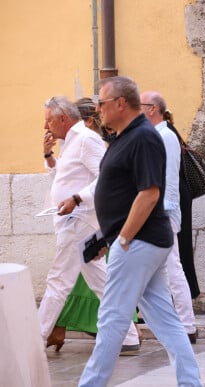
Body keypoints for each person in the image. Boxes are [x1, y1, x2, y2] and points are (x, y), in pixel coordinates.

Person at [78, 76, 201, 387]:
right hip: (140, 241)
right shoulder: (127, 136)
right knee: (166, 320)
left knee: (112, 320)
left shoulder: (145, 137)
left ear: (121, 103)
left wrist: (123, 238)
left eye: (102, 104)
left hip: (138, 242)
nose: (98, 110)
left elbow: (150, 192)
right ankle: (191, 383)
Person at [39, 96, 140, 354]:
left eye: (49, 119)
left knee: (58, 280)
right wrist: (49, 156)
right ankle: (128, 337)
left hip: (79, 220)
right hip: (73, 220)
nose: (45, 125)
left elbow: (108, 178)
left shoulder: (85, 139)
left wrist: (77, 198)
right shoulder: (71, 142)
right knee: (100, 281)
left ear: (63, 118)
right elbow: (66, 176)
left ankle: (36, 338)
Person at [141, 91, 198, 343]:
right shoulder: (159, 135)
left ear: (152, 109)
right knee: (162, 270)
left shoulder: (166, 136)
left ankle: (187, 324)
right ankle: (180, 323)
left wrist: (162, 214)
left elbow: (169, 181)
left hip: (162, 213)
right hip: (160, 213)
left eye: (140, 105)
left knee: (173, 269)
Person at [163, 110, 201, 299]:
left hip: (174, 195)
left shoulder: (165, 133)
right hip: (178, 193)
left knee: (178, 251)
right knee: (179, 250)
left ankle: (185, 297)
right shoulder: (164, 131)